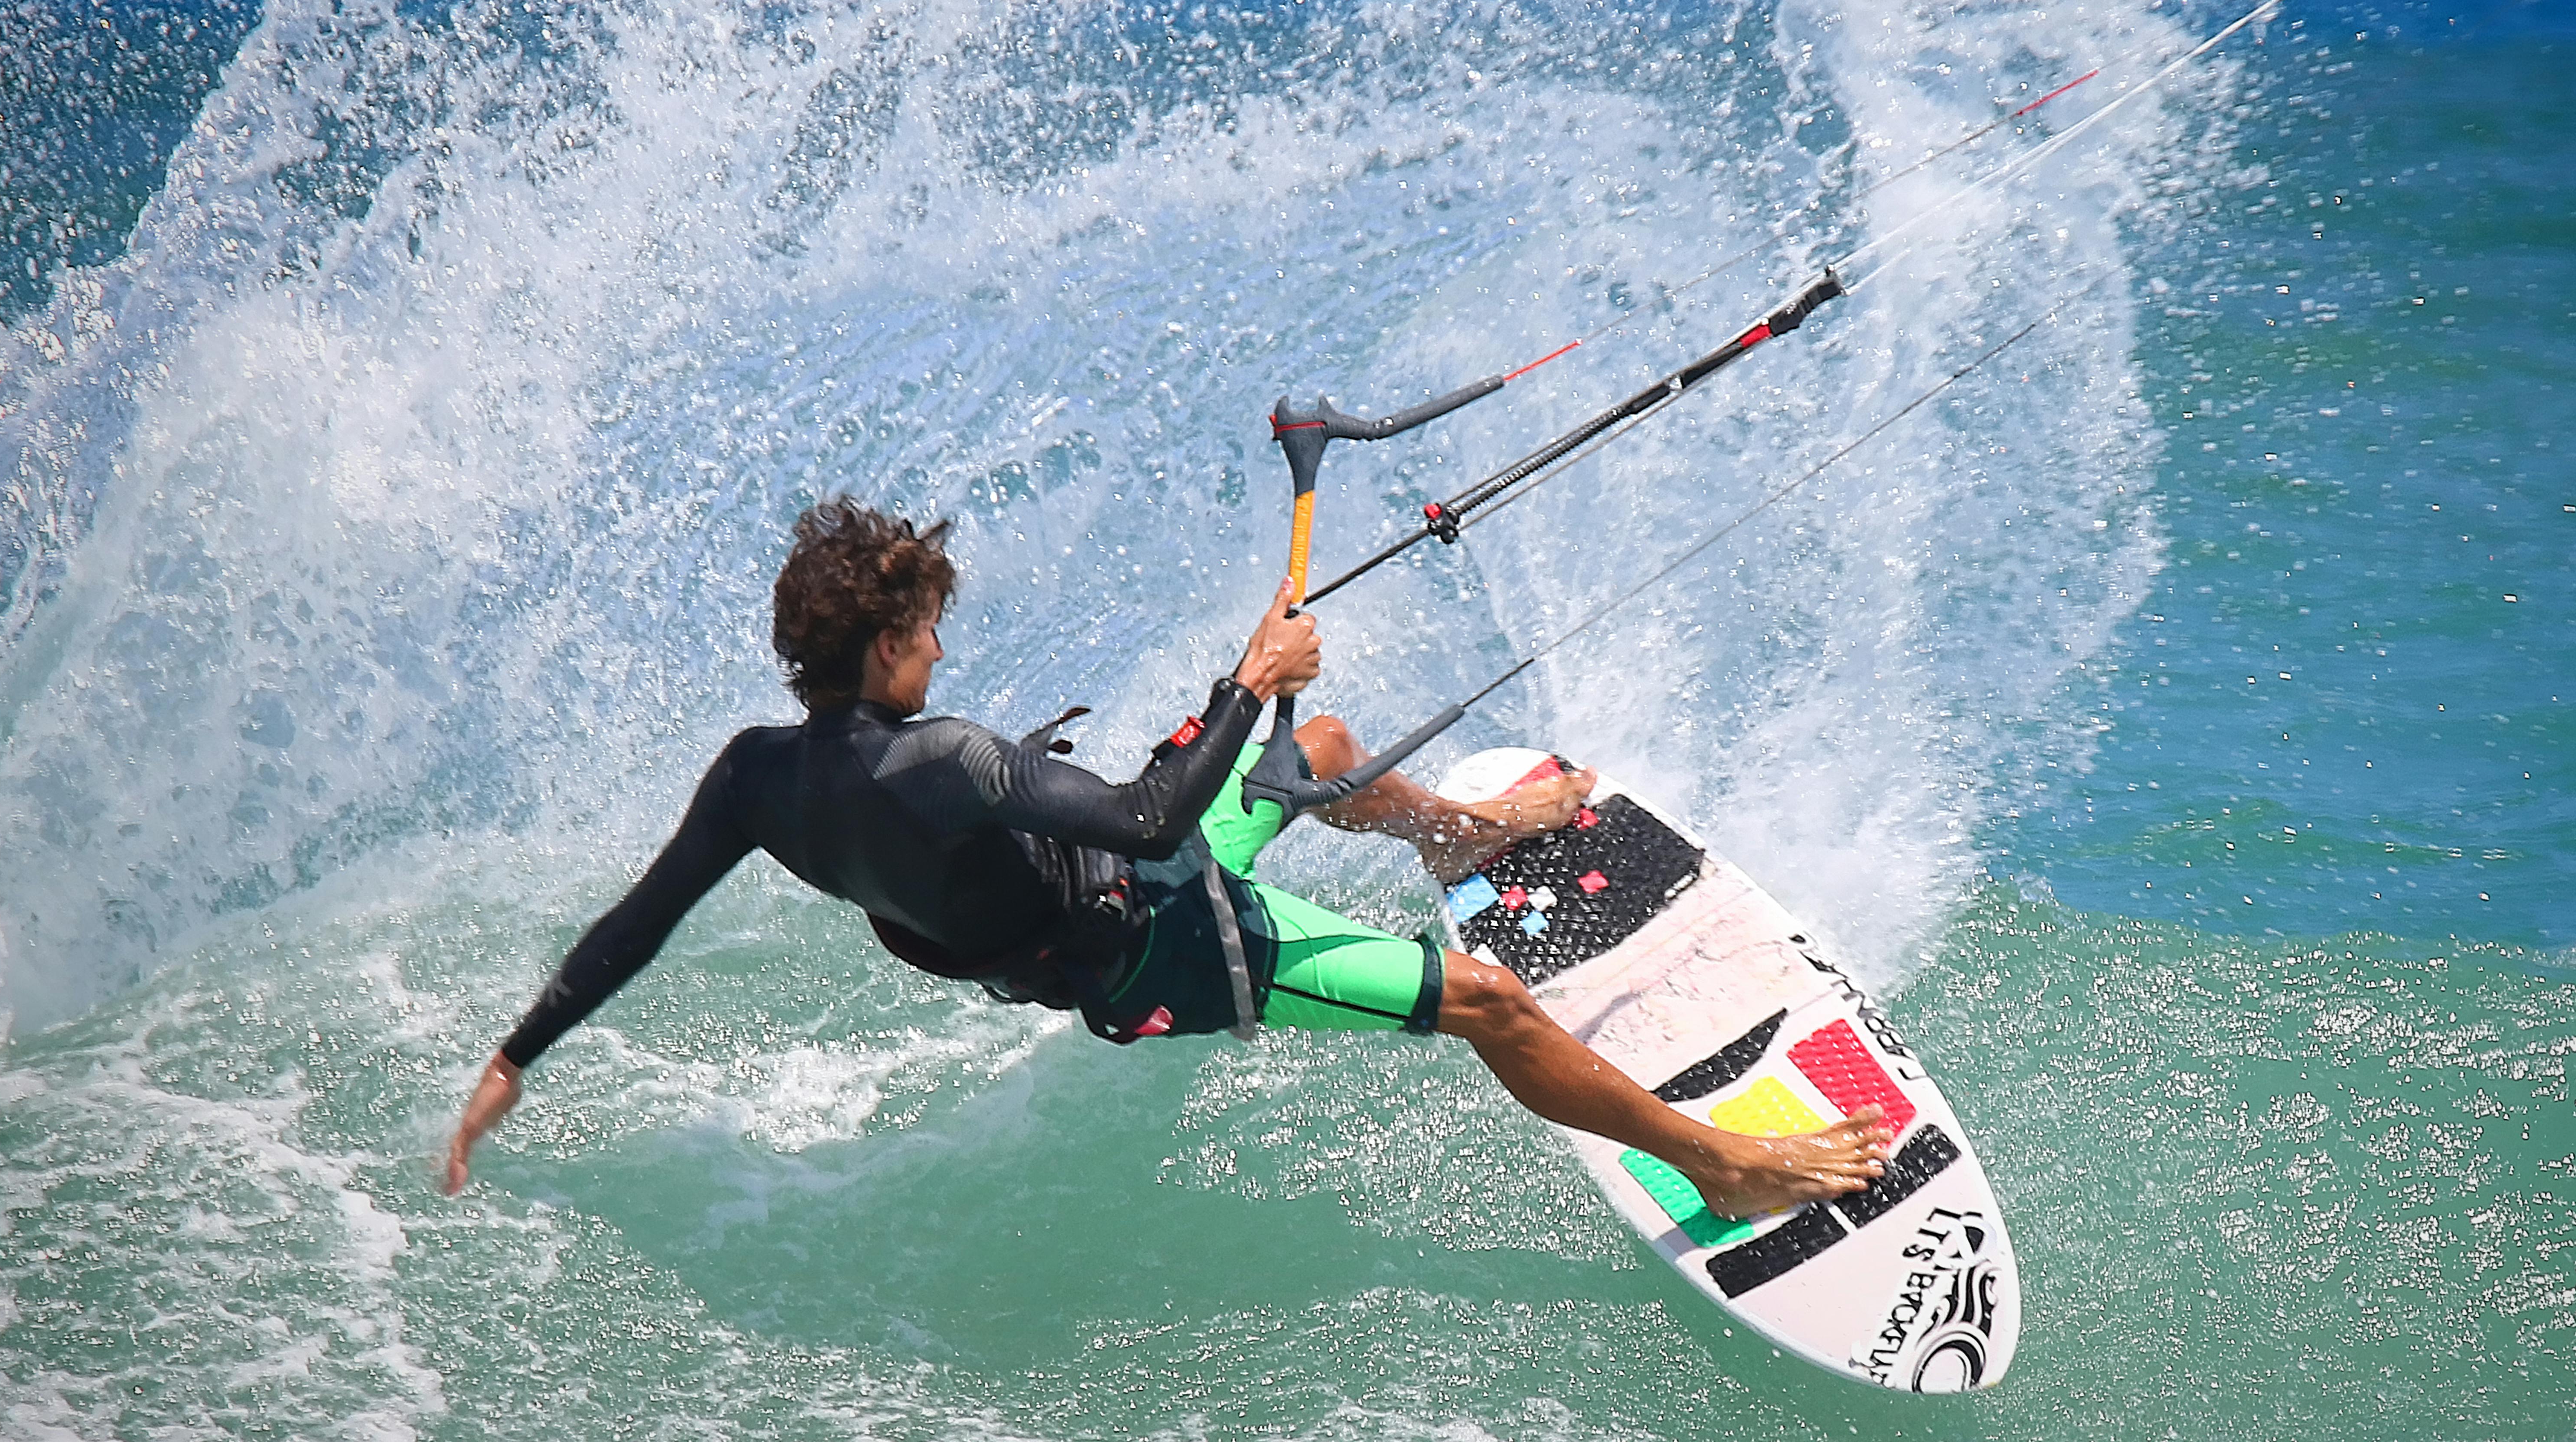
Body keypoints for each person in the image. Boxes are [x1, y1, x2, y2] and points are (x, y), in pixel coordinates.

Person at [440, 498, 1891, 1216]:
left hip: (1109, 896)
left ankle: (1469, 831)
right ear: (883, 648)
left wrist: (518, 1053)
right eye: (928, 631)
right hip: (1160, 945)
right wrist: (1250, 678)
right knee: (1491, 1004)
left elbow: (636, 926)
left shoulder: (757, 775)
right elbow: (1147, 821)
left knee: (1322, 756)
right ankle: (1723, 1164)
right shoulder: (943, 757)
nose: (940, 648)